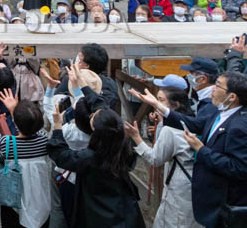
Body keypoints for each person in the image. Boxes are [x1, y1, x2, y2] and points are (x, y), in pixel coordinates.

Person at [134, 71, 247, 227]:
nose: (212, 89)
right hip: (202, 194)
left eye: (218, 86)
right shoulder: (219, 113)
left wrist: (201, 149)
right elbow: (194, 124)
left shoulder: (239, 125)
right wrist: (157, 105)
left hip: (222, 199)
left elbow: (239, 167)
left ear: (232, 97)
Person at [47, 100, 144, 228]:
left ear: (97, 131)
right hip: (122, 206)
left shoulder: (89, 158)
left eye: (95, 116)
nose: (93, 114)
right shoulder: (123, 148)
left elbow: (61, 154)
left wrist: (58, 125)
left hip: (98, 210)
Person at [123, 87, 200, 228]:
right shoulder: (191, 121)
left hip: (178, 185)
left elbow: (155, 158)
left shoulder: (170, 131)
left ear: (175, 104)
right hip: (192, 182)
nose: (155, 103)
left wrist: (136, 137)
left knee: (173, 221)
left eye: (160, 100)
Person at [0, 95, 52, 228]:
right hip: (41, 197)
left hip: (14, 200)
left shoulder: (8, 144)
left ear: (16, 123)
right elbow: (27, 128)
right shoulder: (44, 141)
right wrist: (15, 112)